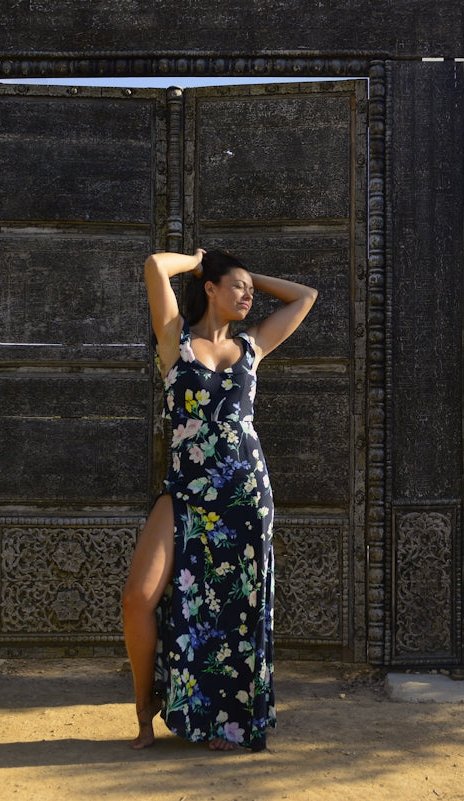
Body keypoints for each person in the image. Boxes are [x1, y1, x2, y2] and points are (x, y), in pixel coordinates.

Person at [122, 247, 317, 752]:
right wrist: (197, 260)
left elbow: (306, 297)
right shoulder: (175, 340)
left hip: (245, 494)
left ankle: (226, 720)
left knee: (235, 610)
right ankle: (145, 710)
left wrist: (251, 274)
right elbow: (154, 267)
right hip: (185, 490)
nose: (249, 295)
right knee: (137, 598)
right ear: (210, 288)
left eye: (251, 290)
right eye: (238, 287)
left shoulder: (253, 346)